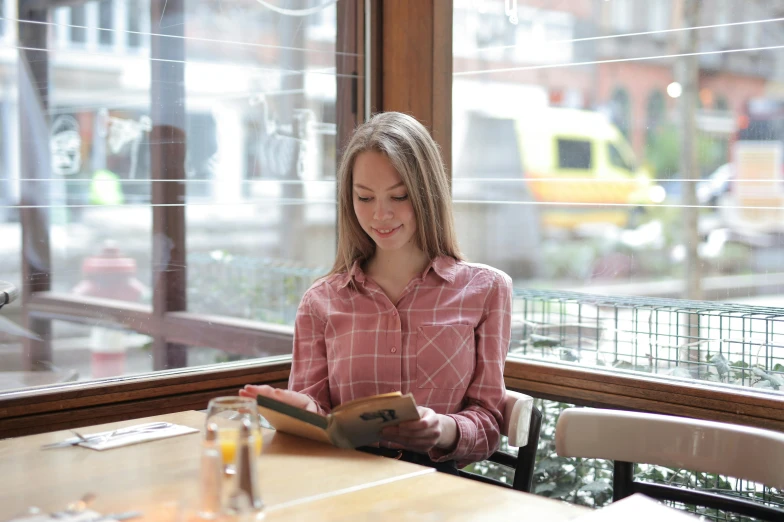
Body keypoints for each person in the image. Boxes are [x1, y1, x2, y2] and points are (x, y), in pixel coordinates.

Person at [240, 112, 512, 473]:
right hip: (343, 483)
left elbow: (490, 422)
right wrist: (303, 412)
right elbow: (318, 419)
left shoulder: (486, 290)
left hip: (439, 492)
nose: (380, 215)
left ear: (427, 193)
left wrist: (443, 429)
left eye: (398, 196)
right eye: (364, 198)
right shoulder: (321, 301)